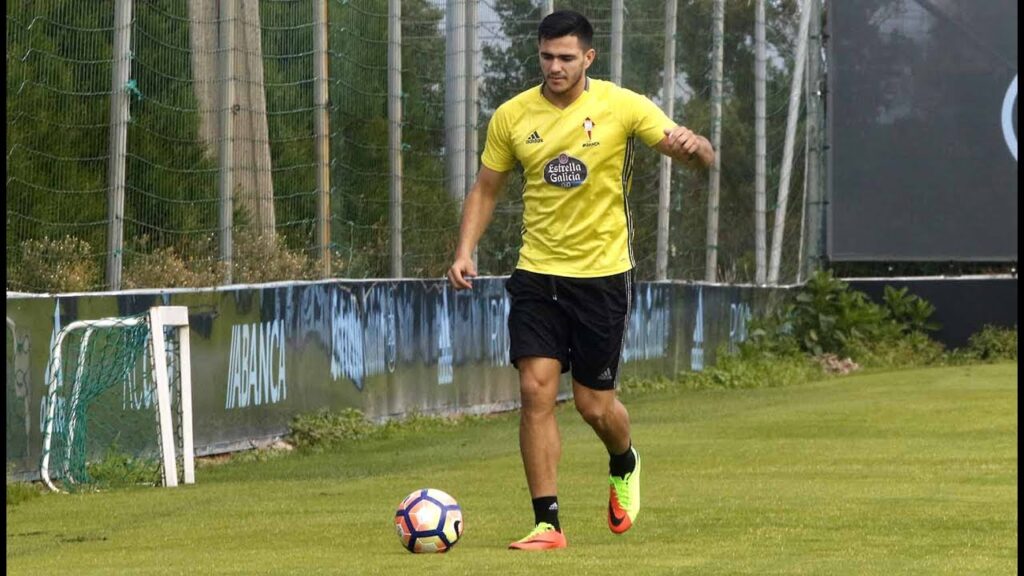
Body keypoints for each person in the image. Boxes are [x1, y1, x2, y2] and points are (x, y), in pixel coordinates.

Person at [446, 10, 714, 550]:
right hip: (537, 274)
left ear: (588, 57)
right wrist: (464, 250)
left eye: (566, 57)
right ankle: (548, 522)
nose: (555, 67)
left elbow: (696, 157)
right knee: (534, 390)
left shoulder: (623, 106)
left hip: (602, 276)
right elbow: (486, 188)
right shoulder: (513, 115)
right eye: (547, 56)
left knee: (594, 406)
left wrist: (696, 148)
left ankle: (625, 458)